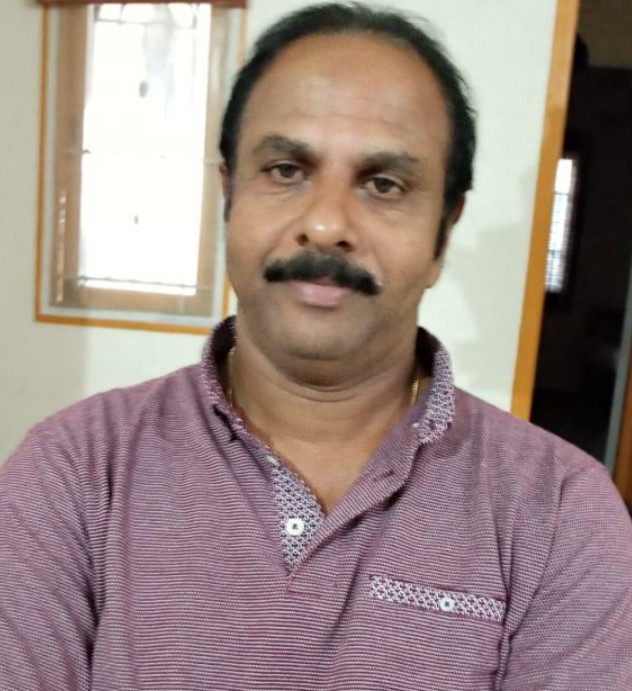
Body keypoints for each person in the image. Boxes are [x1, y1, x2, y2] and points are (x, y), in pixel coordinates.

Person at [1, 3, 631, 689]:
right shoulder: (73, 471)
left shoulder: (561, 512)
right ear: (229, 197)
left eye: (384, 184)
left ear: (443, 234)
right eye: (285, 169)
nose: (327, 224)